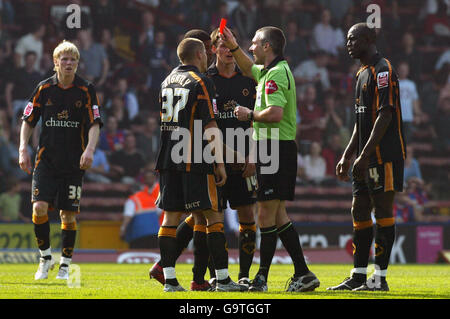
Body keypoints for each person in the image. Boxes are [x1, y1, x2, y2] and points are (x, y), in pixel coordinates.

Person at [220, 25, 320, 292]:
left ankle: (262, 278)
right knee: (277, 215)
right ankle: (303, 273)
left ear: (267, 46)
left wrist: (248, 114)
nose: (250, 48)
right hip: (273, 147)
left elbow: (275, 113)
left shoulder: (275, 74)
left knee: (265, 212)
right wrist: (232, 44)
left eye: (254, 43)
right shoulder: (267, 71)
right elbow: (245, 65)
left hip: (275, 148)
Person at [154, 37, 246, 292]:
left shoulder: (166, 81)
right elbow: (210, 126)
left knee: (170, 218)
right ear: (199, 55)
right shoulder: (202, 81)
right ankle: (224, 279)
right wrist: (220, 162)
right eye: (206, 53)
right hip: (195, 158)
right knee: (213, 216)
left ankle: (170, 281)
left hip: (168, 157)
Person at [328, 23, 406, 292]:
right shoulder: (361, 73)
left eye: (353, 39)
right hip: (365, 156)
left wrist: (364, 154)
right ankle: (359, 275)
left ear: (368, 39)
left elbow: (385, 114)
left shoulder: (383, 70)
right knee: (358, 209)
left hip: (384, 155)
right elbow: (361, 119)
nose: (348, 44)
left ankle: (379, 279)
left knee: (382, 209)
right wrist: (348, 154)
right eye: (347, 39)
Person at [19, 40, 102, 280]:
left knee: (68, 215)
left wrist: (90, 150)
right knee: (39, 207)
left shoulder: (86, 89)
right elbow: (28, 120)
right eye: (64, 59)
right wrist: (23, 148)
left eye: (73, 60)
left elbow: (95, 123)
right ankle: (45, 258)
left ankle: (65, 265)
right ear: (55, 62)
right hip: (46, 161)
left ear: (78, 63)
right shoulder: (44, 89)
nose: (68, 63)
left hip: (73, 163)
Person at [120, 168, 161, 248]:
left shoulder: (132, 200)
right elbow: (158, 212)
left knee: (137, 254)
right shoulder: (150, 197)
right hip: (156, 231)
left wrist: (122, 229)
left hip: (139, 233)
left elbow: (128, 216)